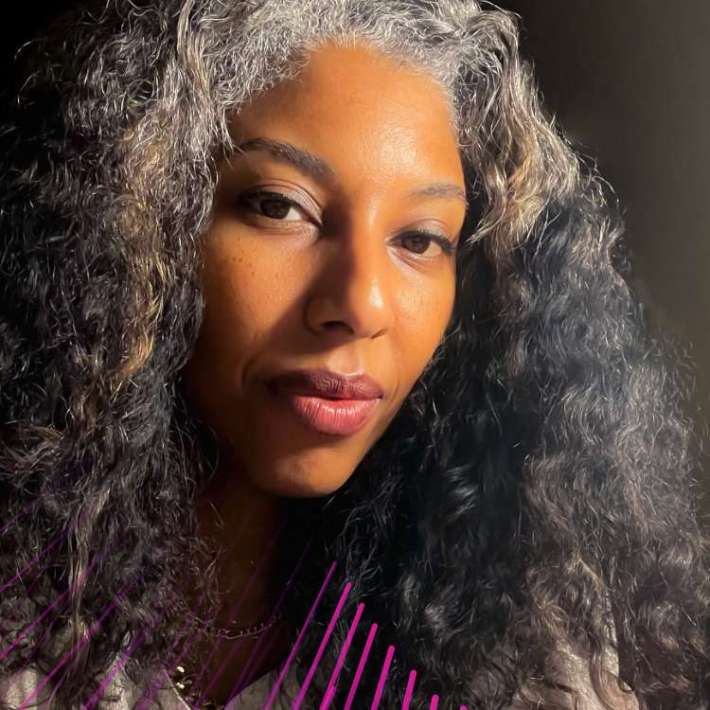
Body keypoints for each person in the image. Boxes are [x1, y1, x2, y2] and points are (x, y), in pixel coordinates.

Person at [0, 0, 708, 708]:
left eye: (420, 239)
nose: (362, 304)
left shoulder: (523, 651)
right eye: (280, 207)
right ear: (135, 223)